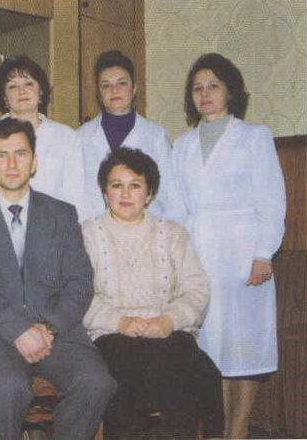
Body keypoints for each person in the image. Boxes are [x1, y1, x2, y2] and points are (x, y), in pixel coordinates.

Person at [0, 117, 116, 440]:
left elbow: (80, 282)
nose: (11, 164)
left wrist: (48, 328)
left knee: (97, 383)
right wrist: (18, 330)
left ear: (34, 161)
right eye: (1, 155)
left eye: (20, 154)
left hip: (55, 333)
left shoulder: (62, 214)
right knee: (7, 388)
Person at [172, 53, 286, 439]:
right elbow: (175, 207)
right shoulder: (182, 145)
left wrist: (263, 254)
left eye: (213, 86)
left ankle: (237, 431)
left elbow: (271, 199)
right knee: (210, 349)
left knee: (244, 346)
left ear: (230, 91)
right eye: (197, 87)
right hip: (199, 254)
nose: (204, 94)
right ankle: (217, 429)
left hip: (243, 255)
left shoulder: (254, 136)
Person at [82, 148, 223, 439]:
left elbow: (196, 288)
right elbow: (77, 294)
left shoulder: (173, 233)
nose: (125, 193)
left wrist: (169, 320)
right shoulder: (86, 234)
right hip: (112, 335)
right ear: (105, 192)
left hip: (168, 332)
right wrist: (120, 322)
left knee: (201, 375)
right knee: (131, 378)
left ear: (149, 194)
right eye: (116, 185)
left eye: (135, 185)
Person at [78, 50, 182, 222]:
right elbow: (75, 194)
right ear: (99, 93)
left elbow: (171, 195)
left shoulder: (155, 136)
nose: (114, 90)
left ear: (134, 89)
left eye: (122, 83)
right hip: (95, 230)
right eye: (106, 85)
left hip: (146, 229)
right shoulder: (81, 136)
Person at [0, 55, 87, 217]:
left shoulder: (66, 137)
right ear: (4, 97)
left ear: (41, 90)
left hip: (53, 225)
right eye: (12, 86)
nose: (21, 91)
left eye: (28, 83)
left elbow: (77, 199)